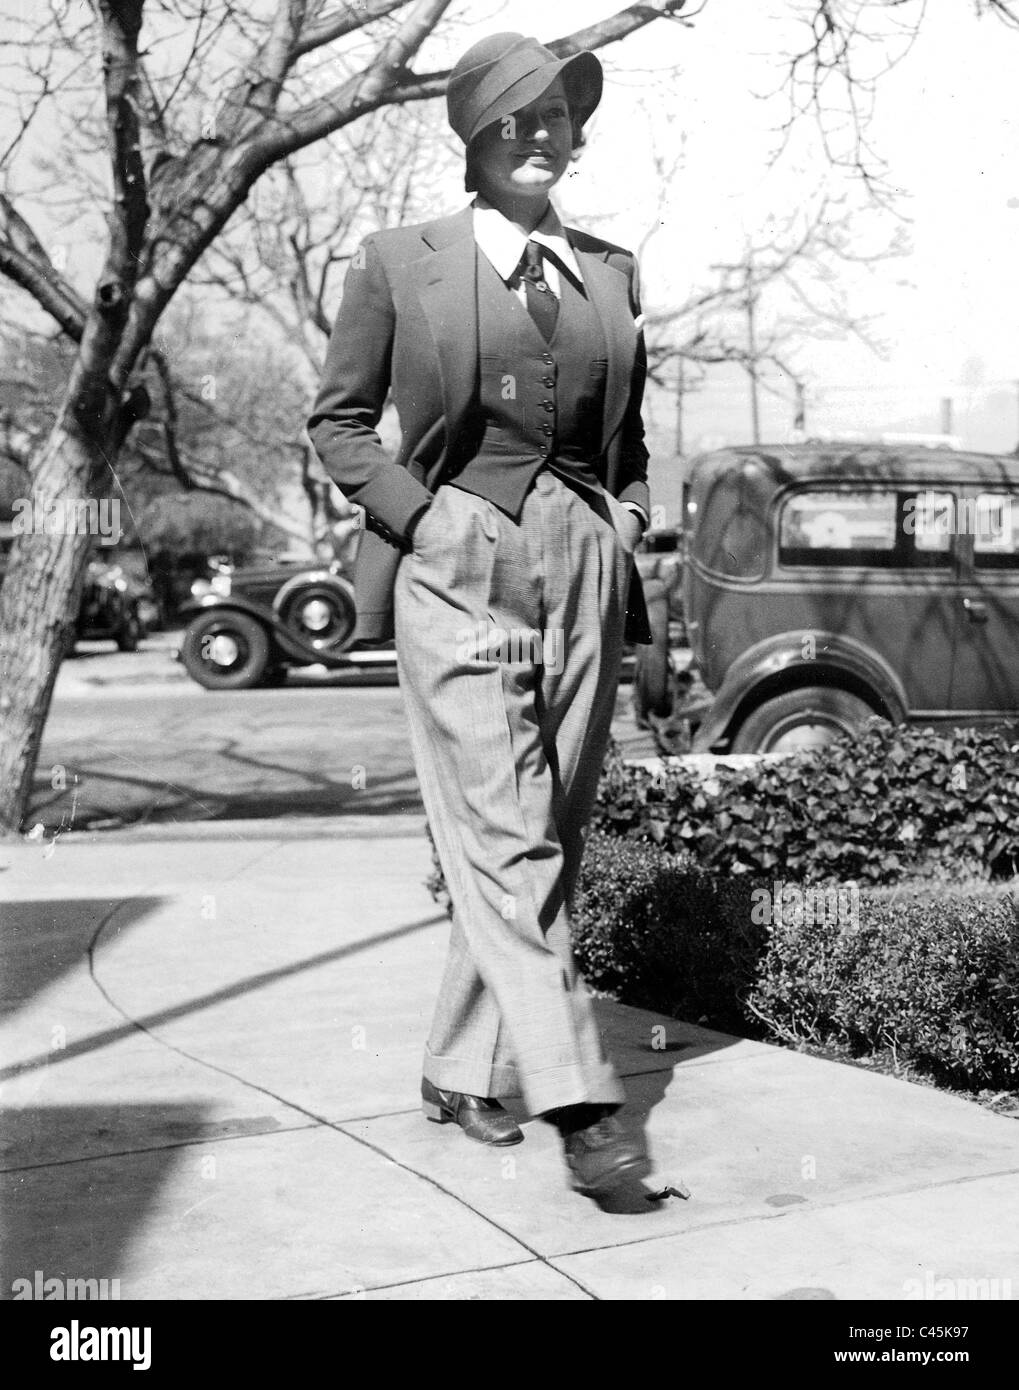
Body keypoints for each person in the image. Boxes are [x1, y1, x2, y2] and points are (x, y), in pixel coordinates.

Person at [308, 32, 655, 1196]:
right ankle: (580, 1102)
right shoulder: (398, 261)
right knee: (511, 834)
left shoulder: (610, 271)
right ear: (474, 138)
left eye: (557, 115)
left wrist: (626, 516)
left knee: (531, 834)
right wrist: (422, 518)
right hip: (457, 560)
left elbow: (628, 435)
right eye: (515, 120)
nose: (541, 137)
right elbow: (338, 424)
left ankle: (459, 1067)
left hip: (585, 568)